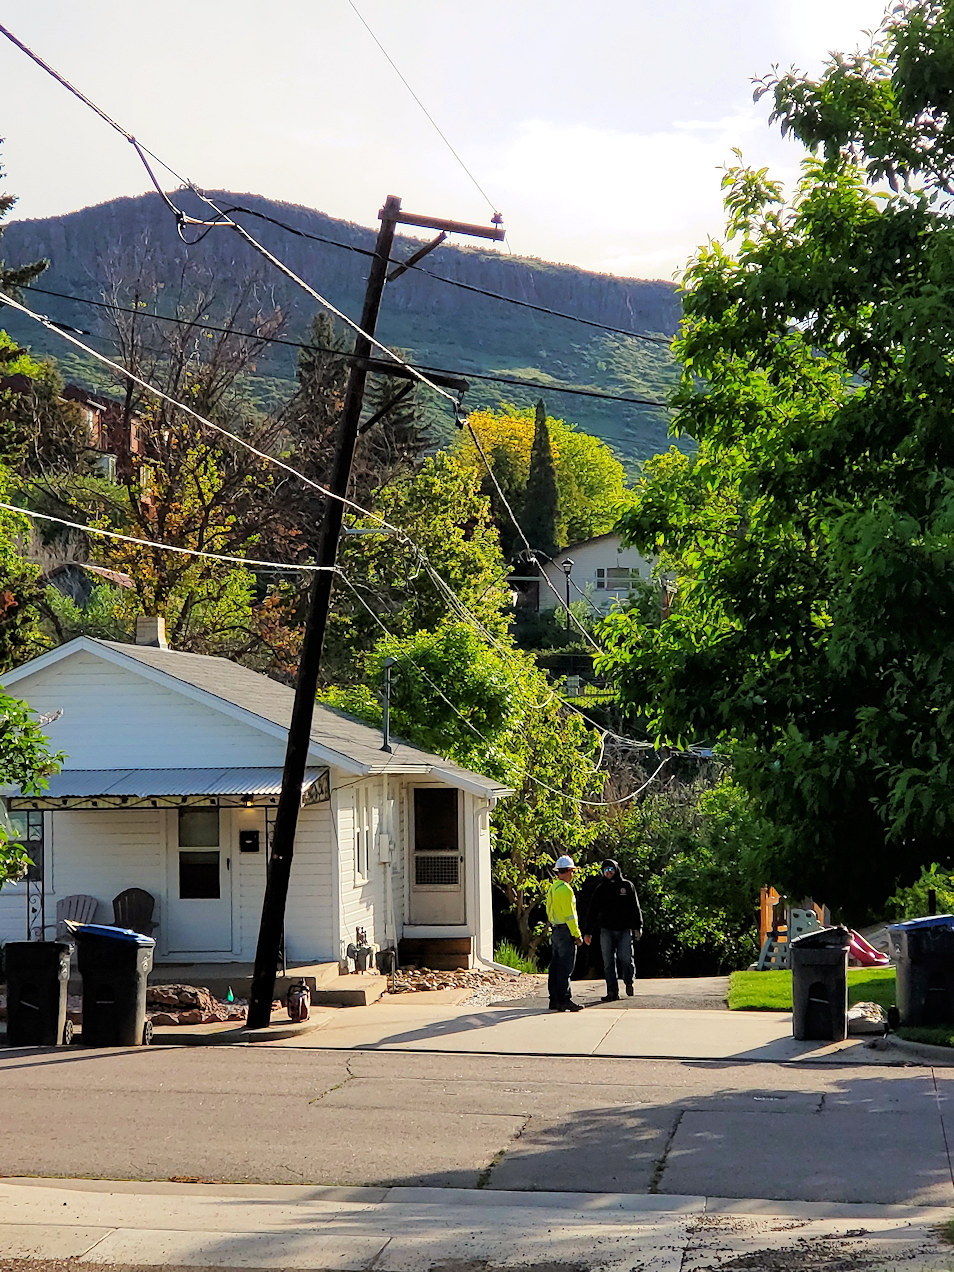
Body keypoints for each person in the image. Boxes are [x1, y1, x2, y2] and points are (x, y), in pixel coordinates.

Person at [583, 858, 643, 1002]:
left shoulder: (627, 886)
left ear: (616, 870)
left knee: (625, 958)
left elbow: (635, 907)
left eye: (611, 869)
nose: (608, 872)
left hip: (624, 929)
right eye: (605, 870)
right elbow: (592, 911)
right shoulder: (600, 889)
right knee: (608, 961)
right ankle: (612, 992)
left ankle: (629, 981)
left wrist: (638, 926)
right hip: (606, 930)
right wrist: (588, 932)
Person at [545, 854, 584, 1012]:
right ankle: (564, 999)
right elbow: (571, 916)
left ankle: (554, 999)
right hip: (565, 931)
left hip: (555, 930)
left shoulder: (553, 888)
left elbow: (549, 910)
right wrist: (577, 934)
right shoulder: (566, 890)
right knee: (565, 967)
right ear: (568, 871)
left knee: (555, 966)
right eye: (572, 871)